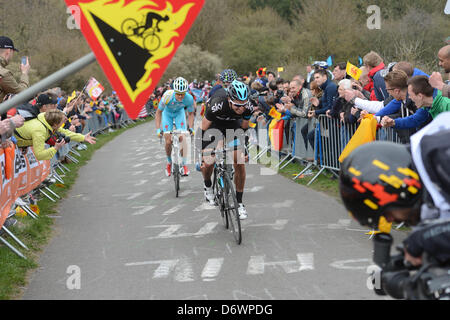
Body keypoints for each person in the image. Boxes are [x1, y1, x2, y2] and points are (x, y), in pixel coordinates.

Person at [339, 121, 450, 269]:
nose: (391, 220)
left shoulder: (441, 155)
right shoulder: (426, 172)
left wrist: (422, 239)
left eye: (386, 213)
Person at [197, 80, 254, 220]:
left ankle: (239, 203)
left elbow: (244, 128)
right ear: (229, 99)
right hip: (213, 125)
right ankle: (208, 186)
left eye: (243, 105)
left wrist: (243, 149)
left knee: (239, 161)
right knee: (208, 161)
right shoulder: (217, 104)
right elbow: (203, 129)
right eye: (237, 105)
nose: (241, 108)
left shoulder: (248, 107)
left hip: (232, 126)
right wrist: (201, 152)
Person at [14, 109, 96, 161]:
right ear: (55, 124)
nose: (63, 124)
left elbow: (66, 132)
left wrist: (83, 137)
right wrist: (55, 148)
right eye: (61, 122)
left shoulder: (47, 123)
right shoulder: (40, 131)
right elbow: (39, 155)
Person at [155, 77, 195, 177]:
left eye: (183, 94)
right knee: (168, 140)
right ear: (174, 91)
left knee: (182, 138)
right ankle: (169, 163)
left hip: (179, 114)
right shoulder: (167, 96)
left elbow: (190, 114)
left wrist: (191, 128)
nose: (181, 96)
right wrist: (158, 129)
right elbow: (158, 113)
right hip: (167, 114)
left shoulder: (189, 98)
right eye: (178, 94)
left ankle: (184, 164)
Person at [0, 36, 30, 102]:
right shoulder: (3, 74)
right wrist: (24, 73)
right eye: (12, 52)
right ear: (8, 51)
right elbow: (23, 93)